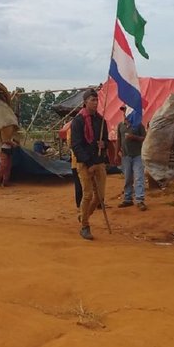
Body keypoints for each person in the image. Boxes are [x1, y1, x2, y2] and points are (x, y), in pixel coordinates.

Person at [70, 89, 109, 240]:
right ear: (85, 101)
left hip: (99, 162)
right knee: (88, 195)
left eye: (97, 100)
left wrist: (103, 144)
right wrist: (89, 163)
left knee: (100, 197)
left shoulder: (101, 120)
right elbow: (76, 145)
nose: (95, 102)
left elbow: (105, 140)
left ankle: (83, 214)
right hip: (84, 163)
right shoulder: (78, 121)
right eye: (92, 100)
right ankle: (85, 226)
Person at [116, 105, 147, 211]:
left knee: (139, 177)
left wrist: (134, 137)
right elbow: (118, 140)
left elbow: (145, 138)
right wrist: (116, 154)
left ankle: (139, 199)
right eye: (124, 111)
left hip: (137, 155)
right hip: (125, 155)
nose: (124, 113)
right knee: (128, 178)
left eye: (126, 110)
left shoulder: (138, 125)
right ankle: (128, 199)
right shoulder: (120, 125)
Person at [67, 126, 83, 221]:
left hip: (88, 162)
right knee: (79, 186)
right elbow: (71, 144)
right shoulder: (71, 130)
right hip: (76, 162)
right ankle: (79, 205)